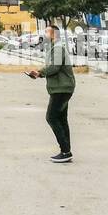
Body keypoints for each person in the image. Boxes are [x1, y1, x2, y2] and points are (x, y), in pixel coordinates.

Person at [28, 24, 75, 163]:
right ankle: (66, 151)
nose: (45, 35)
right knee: (61, 119)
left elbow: (55, 67)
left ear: (54, 34)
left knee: (51, 117)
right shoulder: (55, 47)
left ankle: (65, 151)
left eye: (47, 32)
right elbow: (52, 66)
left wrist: (40, 72)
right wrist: (39, 74)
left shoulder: (59, 47)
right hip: (61, 87)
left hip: (62, 88)